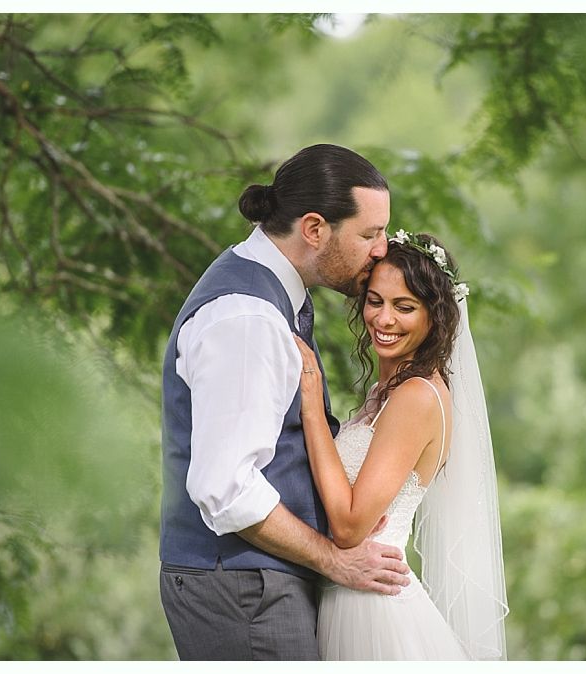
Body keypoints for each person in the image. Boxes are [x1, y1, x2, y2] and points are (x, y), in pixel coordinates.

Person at [159, 144, 412, 661]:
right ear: (315, 229)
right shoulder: (247, 320)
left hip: (257, 583)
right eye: (369, 234)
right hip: (243, 591)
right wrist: (332, 560)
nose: (383, 250)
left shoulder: (275, 294)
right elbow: (225, 488)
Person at [295, 231, 509, 660]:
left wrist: (313, 413)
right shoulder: (385, 391)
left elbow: (351, 526)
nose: (383, 319)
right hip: (347, 594)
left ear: (436, 316)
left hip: (374, 608)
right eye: (375, 301)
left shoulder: (416, 397)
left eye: (404, 307)